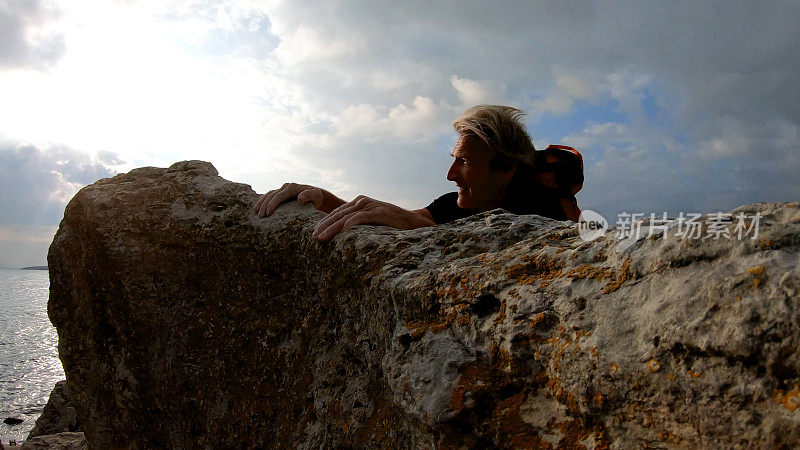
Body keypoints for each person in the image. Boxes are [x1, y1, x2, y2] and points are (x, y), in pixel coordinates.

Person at [253, 105, 579, 242]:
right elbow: (390, 217)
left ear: (506, 169)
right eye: (454, 159)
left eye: (464, 161)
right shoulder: (453, 205)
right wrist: (322, 197)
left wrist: (422, 227)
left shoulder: (546, 218)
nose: (451, 174)